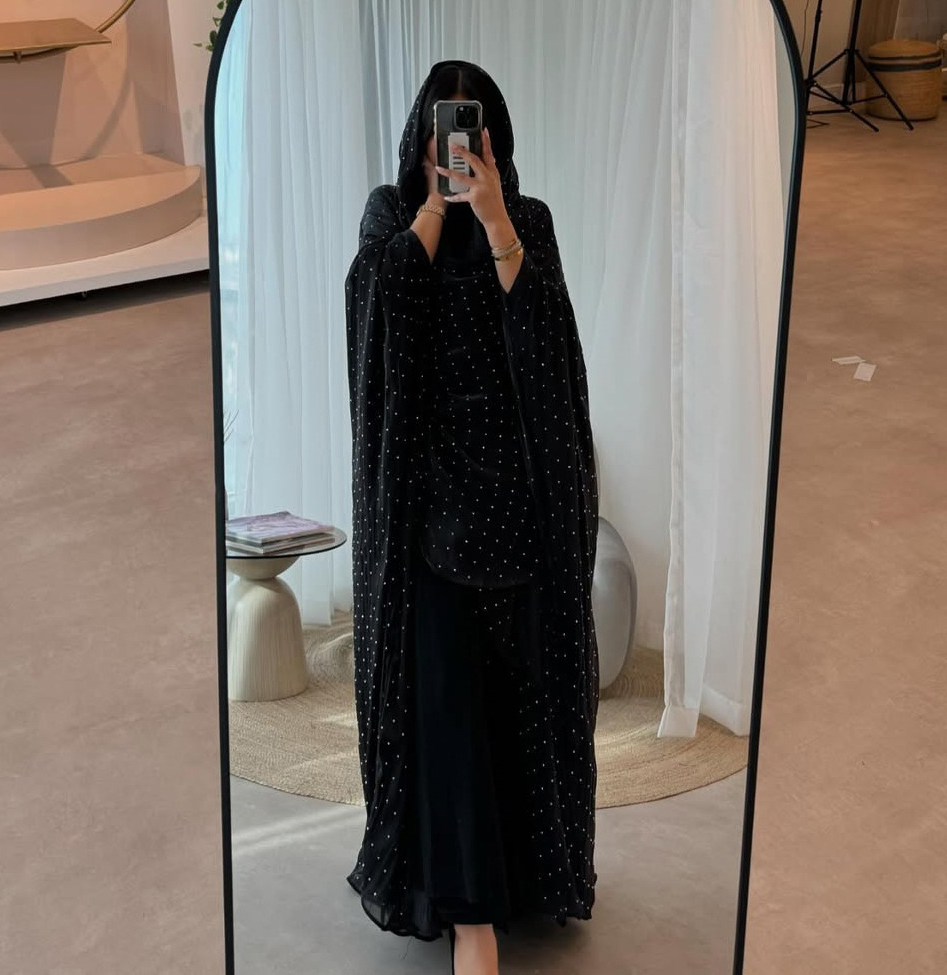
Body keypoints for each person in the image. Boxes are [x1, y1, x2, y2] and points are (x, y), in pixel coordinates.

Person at [344, 59, 600, 975]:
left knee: (519, 700)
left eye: (473, 127)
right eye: (444, 128)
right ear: (423, 134)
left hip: (520, 498)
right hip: (428, 505)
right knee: (445, 705)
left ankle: (522, 878)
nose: (458, 145)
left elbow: (550, 346)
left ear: (496, 137)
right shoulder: (390, 216)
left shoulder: (527, 221)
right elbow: (379, 310)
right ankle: (472, 919)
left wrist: (494, 221)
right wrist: (432, 207)